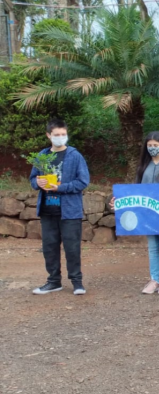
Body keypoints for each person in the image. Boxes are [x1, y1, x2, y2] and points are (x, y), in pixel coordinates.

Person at [109, 132, 159, 294]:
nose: (153, 148)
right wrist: (119, 202)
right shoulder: (143, 166)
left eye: (156, 145)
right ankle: (154, 279)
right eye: (150, 145)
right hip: (147, 213)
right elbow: (135, 191)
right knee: (152, 247)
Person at [30, 119, 90, 295]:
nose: (61, 138)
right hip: (48, 210)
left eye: (63, 134)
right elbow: (33, 179)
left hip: (70, 211)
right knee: (49, 247)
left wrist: (60, 187)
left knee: (72, 247)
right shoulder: (42, 156)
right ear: (49, 135)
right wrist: (37, 182)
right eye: (57, 135)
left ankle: (77, 282)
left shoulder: (75, 155)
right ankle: (53, 281)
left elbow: (83, 181)